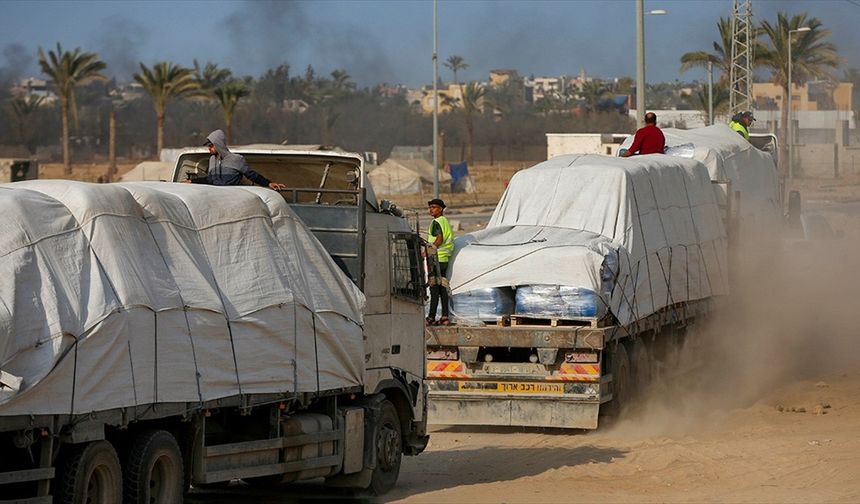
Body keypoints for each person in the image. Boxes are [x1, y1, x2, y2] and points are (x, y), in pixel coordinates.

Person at [188, 129, 286, 189]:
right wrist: (192, 182)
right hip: (215, 198)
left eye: (211, 145)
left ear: (218, 144)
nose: (209, 148)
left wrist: (268, 183)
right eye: (207, 146)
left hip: (234, 197)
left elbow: (252, 175)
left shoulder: (236, 159)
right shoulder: (212, 160)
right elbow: (210, 180)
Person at [426, 198, 454, 326]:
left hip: (436, 257)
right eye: (430, 207)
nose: (431, 210)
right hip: (444, 258)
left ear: (441, 209)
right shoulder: (445, 221)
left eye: (434, 207)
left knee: (434, 287)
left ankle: (431, 316)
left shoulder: (436, 222)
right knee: (443, 287)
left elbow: (439, 239)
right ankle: (445, 316)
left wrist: (428, 251)